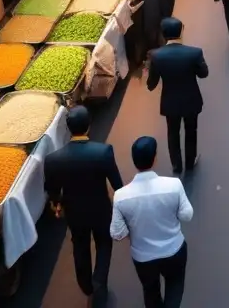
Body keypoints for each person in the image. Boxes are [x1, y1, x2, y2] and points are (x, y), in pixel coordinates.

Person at [44, 106, 123, 307]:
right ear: (89, 126)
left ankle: (86, 284)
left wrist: (58, 204)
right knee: (104, 243)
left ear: (69, 129)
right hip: (101, 210)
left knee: (80, 245)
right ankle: (99, 280)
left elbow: (52, 190)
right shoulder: (103, 152)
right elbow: (117, 185)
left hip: (75, 213)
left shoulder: (54, 160)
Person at [111, 137, 193, 308]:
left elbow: (117, 233)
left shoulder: (120, 196)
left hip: (143, 257)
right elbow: (187, 215)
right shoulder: (173, 185)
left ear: (134, 161)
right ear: (154, 158)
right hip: (174, 250)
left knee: (150, 291)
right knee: (175, 287)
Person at [147, 18, 209, 172]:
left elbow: (151, 84)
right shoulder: (195, 53)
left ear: (163, 34)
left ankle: (176, 165)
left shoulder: (156, 56)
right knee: (191, 130)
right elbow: (204, 74)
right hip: (191, 100)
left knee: (172, 132)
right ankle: (190, 162)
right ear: (181, 31)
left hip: (170, 102)